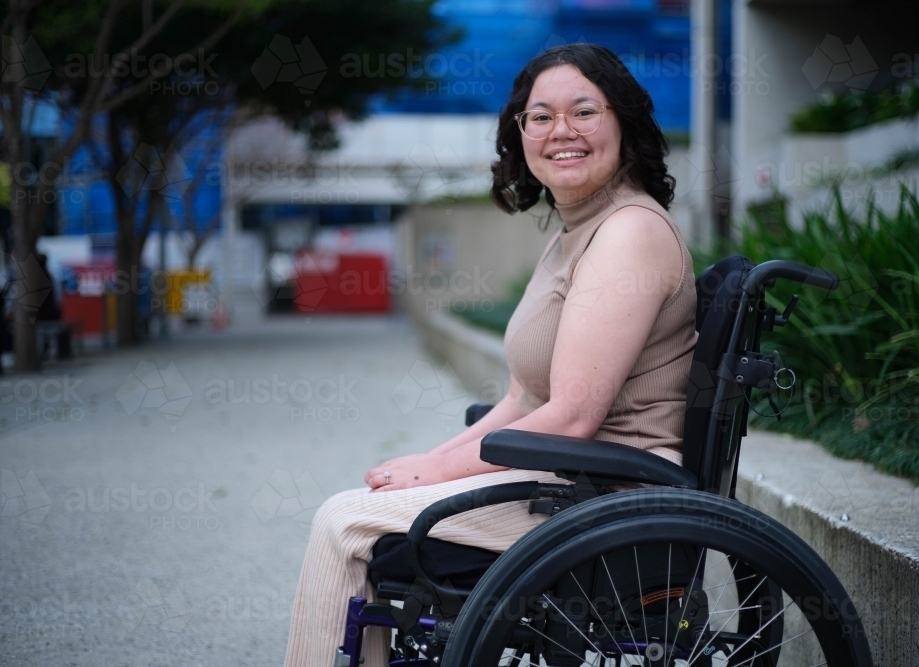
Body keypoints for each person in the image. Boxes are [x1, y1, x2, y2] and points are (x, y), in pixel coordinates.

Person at [283, 43, 697, 667]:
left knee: (344, 525)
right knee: (360, 510)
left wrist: (440, 475)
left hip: (605, 500)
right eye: (540, 117)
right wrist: (431, 460)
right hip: (563, 482)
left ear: (625, 122)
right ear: (520, 134)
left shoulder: (628, 234)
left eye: (584, 111)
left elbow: (575, 416)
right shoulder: (576, 232)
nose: (561, 131)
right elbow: (522, 400)